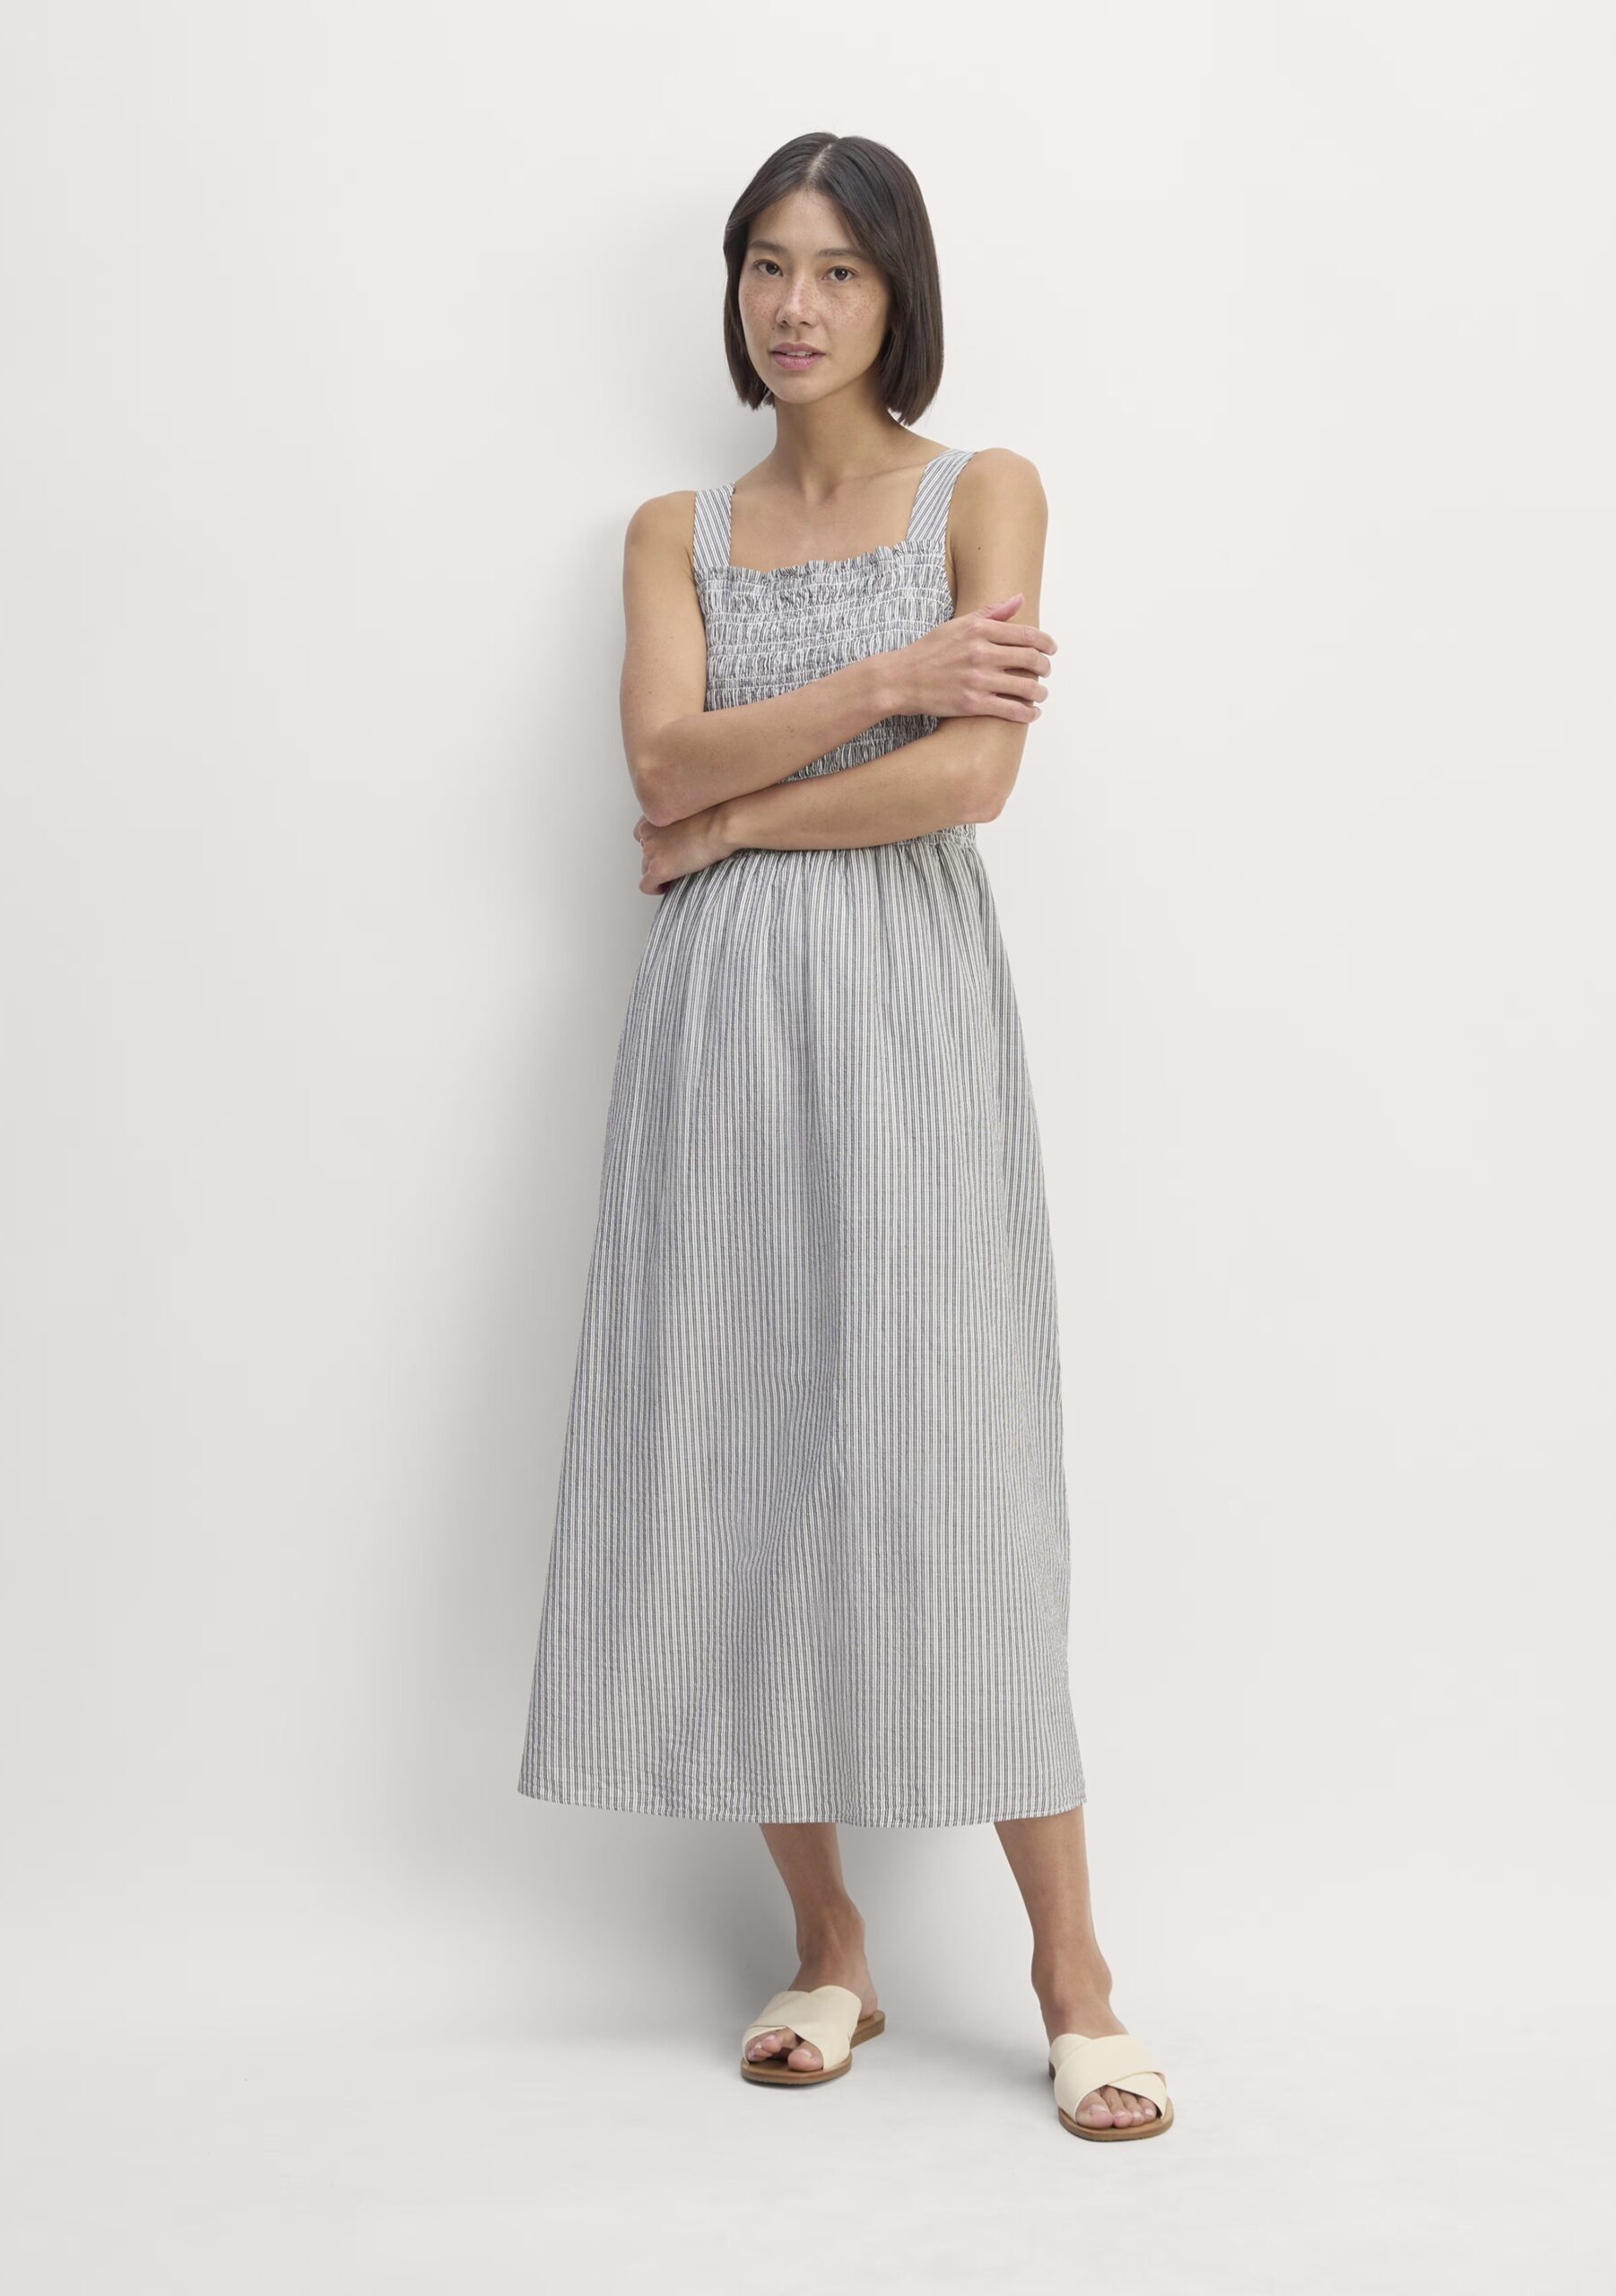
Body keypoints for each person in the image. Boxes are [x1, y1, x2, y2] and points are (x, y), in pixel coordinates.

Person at [517, 131, 1171, 2144]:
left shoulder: (986, 489)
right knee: (737, 1452)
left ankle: (1078, 1978)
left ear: (902, 296)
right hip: (714, 1037)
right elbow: (656, 750)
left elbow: (971, 783)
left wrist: (727, 818)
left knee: (952, 1461)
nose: (794, 306)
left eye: (839, 273)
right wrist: (877, 682)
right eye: (764, 267)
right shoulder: (669, 531)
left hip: (904, 1022)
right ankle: (829, 1939)